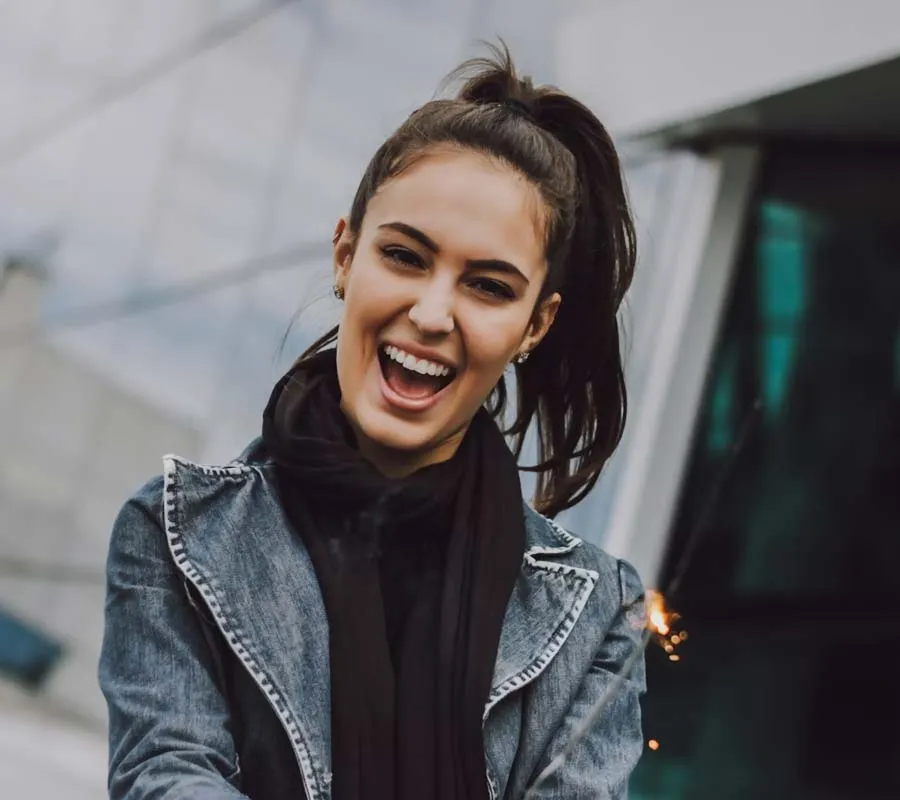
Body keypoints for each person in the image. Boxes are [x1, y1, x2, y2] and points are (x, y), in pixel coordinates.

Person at [99, 43, 647, 800]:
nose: (430, 314)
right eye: (404, 256)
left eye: (488, 287)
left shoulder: (598, 618)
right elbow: (166, 776)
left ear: (534, 326)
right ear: (345, 256)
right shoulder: (178, 537)